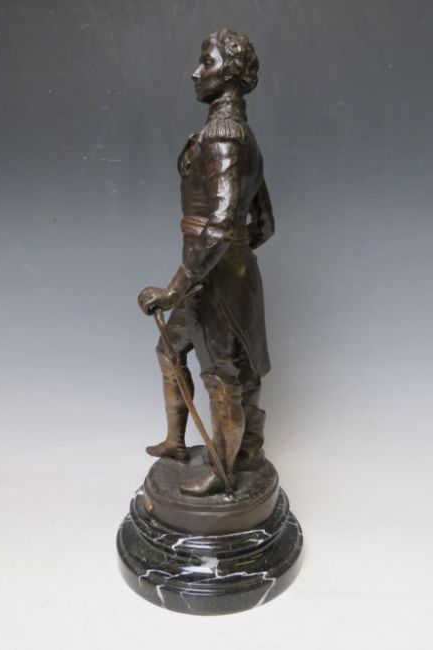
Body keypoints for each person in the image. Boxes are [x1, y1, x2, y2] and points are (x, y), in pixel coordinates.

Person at [138, 28, 275, 496]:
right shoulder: (243, 137)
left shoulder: (222, 138)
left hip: (211, 278)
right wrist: (234, 255)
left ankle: (223, 469)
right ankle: (181, 443)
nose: (196, 73)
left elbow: (220, 224)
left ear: (231, 74)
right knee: (170, 351)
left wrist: (176, 287)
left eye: (208, 63)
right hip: (217, 272)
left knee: (222, 377)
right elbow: (265, 223)